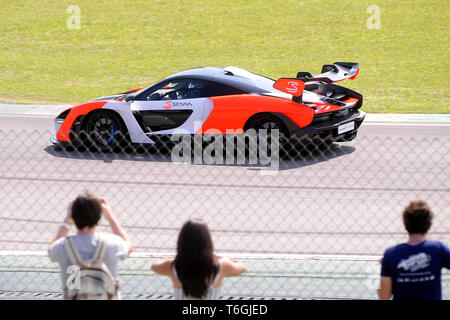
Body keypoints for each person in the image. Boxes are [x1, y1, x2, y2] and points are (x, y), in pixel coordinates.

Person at [48, 191, 133, 299]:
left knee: (73, 274)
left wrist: (67, 221)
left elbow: (51, 250)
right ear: (99, 216)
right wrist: (110, 217)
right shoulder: (113, 243)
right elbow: (129, 245)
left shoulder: (62, 246)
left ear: (74, 216)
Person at [151, 219, 246, 299]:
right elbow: (242, 267)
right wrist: (219, 257)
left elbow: (154, 266)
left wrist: (182, 255)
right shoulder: (222, 266)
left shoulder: (172, 266)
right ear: (207, 242)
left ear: (182, 242)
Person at [378, 200, 450, 300]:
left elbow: (384, 296)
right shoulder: (438, 249)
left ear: (405, 225)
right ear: (429, 226)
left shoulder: (391, 254)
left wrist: (388, 264)